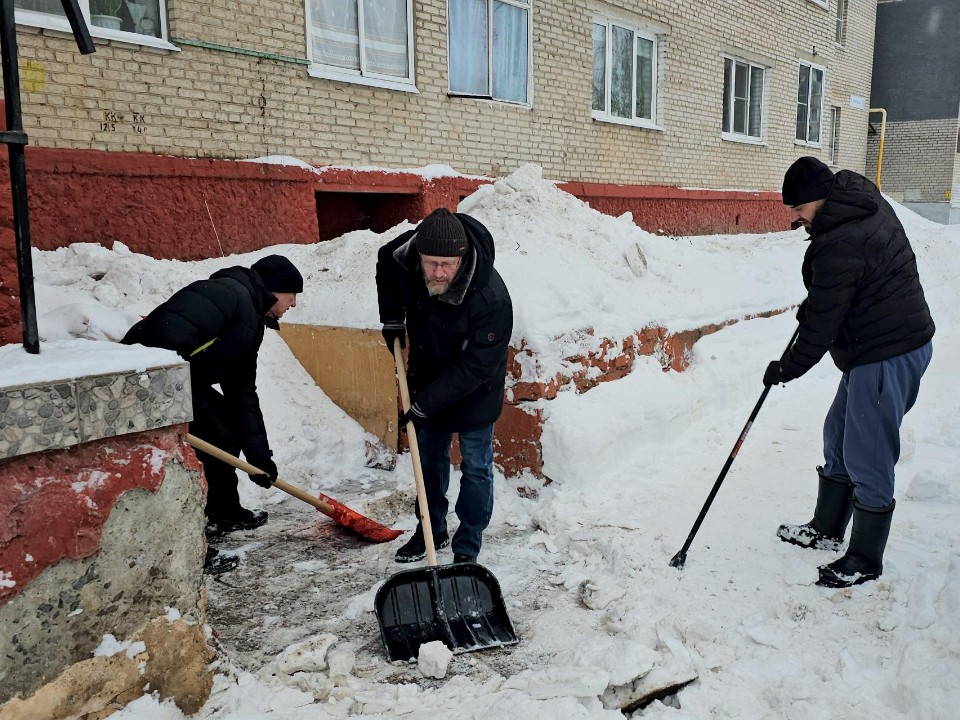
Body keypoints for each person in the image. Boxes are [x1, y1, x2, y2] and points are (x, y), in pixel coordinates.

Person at [764, 156, 935, 588]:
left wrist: (786, 368)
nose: (796, 219)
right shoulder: (854, 201)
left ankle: (864, 558)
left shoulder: (840, 239)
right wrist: (822, 298)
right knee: (838, 432)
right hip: (875, 342)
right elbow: (853, 279)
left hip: (888, 349)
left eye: (799, 209)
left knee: (867, 451)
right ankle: (827, 528)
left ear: (818, 198)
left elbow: (821, 329)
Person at [123, 255, 303, 574]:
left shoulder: (250, 319)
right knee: (206, 444)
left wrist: (259, 459)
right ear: (276, 289)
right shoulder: (228, 294)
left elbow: (242, 393)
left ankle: (224, 512)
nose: (293, 304)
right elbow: (165, 335)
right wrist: (165, 400)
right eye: (292, 295)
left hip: (184, 382)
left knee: (227, 431)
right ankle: (191, 548)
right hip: (149, 380)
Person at [376, 207, 513, 565]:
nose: (438, 272)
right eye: (431, 263)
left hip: (476, 386)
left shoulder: (491, 298)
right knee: (429, 459)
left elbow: (477, 365)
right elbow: (385, 262)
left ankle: (467, 545)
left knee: (476, 466)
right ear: (419, 255)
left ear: (462, 258)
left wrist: (425, 405)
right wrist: (391, 319)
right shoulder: (405, 256)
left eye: (447, 265)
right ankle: (431, 530)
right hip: (428, 371)